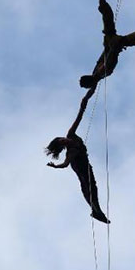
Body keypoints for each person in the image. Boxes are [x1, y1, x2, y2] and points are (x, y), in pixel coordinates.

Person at [45, 87, 110, 223]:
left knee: (92, 185)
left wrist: (84, 103)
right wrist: (56, 166)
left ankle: (96, 210)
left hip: (85, 164)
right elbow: (66, 164)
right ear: (62, 146)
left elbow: (79, 118)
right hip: (78, 166)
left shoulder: (71, 134)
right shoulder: (70, 152)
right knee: (87, 186)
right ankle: (96, 210)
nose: (65, 140)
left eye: (62, 138)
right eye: (62, 142)